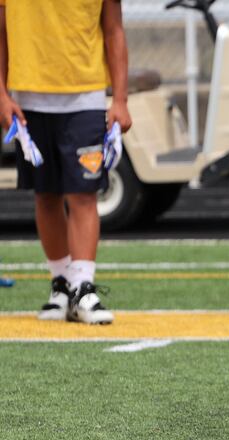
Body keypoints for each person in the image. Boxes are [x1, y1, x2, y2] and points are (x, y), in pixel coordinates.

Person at [0, 0, 131, 324]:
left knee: (84, 195)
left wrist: (121, 100)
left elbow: (114, 30)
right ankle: (60, 284)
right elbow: (1, 31)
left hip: (86, 96)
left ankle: (83, 287)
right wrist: (1, 94)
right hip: (28, 98)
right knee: (45, 194)